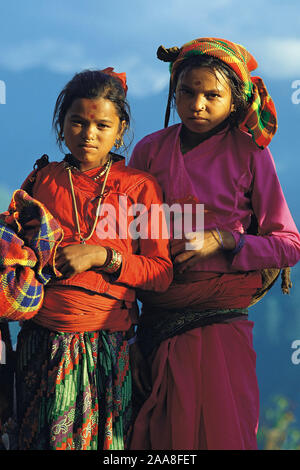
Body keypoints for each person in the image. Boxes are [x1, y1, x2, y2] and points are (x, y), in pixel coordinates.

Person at [128, 38, 300, 450]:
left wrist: (224, 240)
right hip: (154, 323)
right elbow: (127, 243)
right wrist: (127, 334)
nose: (197, 105)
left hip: (220, 325)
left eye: (212, 95)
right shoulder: (149, 151)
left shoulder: (251, 152)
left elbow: (289, 243)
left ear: (236, 100)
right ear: (174, 91)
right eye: (187, 92)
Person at [10, 68, 172, 450]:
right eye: (78, 122)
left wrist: (103, 255)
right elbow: (12, 260)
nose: (89, 134)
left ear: (121, 129)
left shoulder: (138, 187)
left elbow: (161, 273)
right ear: (61, 124)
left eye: (102, 125)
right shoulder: (41, 181)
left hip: (105, 346)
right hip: (40, 344)